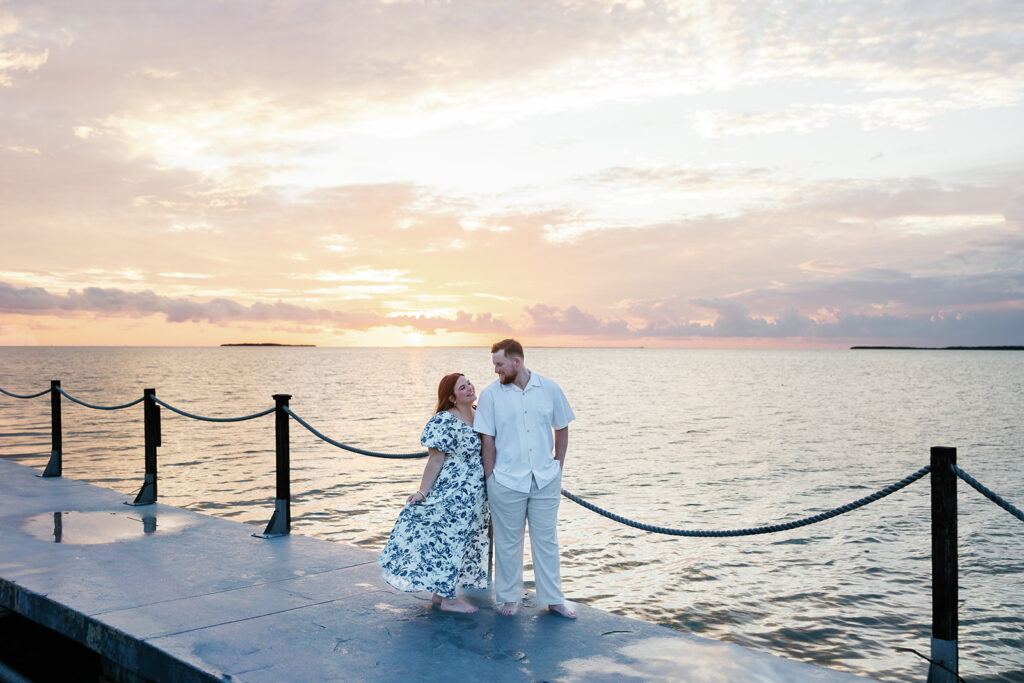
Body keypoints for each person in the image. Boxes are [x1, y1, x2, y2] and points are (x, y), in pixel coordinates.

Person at [473, 339, 577, 619]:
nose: (496, 370)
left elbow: (562, 428)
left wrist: (558, 466)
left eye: (499, 364)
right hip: (505, 481)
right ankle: (508, 597)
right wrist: (490, 477)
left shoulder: (550, 389)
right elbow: (487, 439)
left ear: (516, 362)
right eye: (494, 364)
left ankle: (554, 599)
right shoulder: (491, 395)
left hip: (545, 479)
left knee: (547, 540)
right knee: (508, 542)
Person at [377, 373, 489, 613]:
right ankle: (449, 600)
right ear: (451, 397)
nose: (469, 387)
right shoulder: (444, 420)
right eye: (462, 387)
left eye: (468, 383)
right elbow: (435, 461)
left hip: (474, 494)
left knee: (460, 540)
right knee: (450, 541)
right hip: (453, 491)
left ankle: (440, 594)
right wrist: (422, 493)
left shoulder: (480, 415)